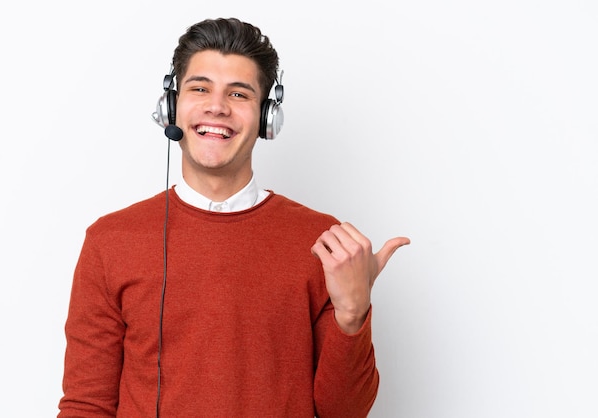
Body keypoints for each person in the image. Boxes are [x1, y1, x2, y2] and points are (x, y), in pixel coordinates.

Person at [58, 17, 410, 418]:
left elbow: (343, 412)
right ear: (171, 105)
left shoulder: (325, 243)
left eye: (239, 94)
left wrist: (353, 313)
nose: (217, 107)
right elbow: (87, 404)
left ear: (266, 116)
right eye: (200, 88)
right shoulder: (111, 239)